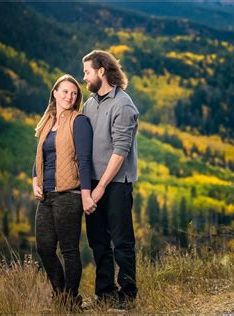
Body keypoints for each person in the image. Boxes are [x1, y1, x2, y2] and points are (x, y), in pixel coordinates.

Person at [32, 74, 96, 309]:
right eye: (65, 91)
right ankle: (62, 296)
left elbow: (86, 160)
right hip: (46, 195)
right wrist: (34, 180)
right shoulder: (48, 122)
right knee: (44, 247)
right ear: (55, 93)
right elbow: (40, 155)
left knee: (69, 250)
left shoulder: (78, 121)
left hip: (69, 195)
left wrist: (87, 193)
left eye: (74, 93)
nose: (70, 96)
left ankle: (70, 300)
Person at [82, 50, 139, 309]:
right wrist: (88, 187)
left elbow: (120, 150)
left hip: (116, 184)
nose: (85, 77)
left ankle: (127, 296)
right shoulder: (89, 104)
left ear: (101, 71)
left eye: (87, 72)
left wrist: (102, 186)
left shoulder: (123, 105)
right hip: (93, 184)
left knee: (121, 241)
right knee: (98, 241)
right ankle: (105, 293)